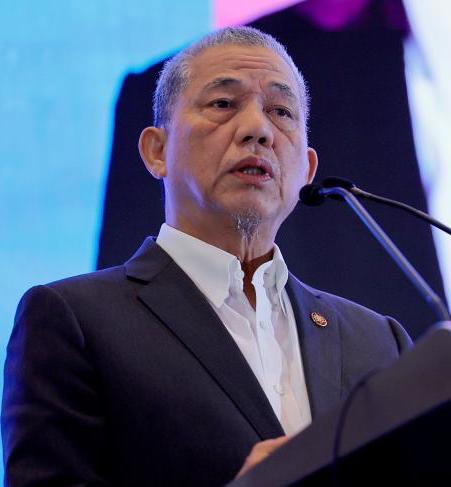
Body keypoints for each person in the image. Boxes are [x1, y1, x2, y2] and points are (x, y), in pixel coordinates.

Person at [2, 27, 412, 487]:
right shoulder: (73, 321)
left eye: (281, 112)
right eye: (223, 104)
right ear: (157, 151)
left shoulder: (378, 342)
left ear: (307, 169)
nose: (258, 129)